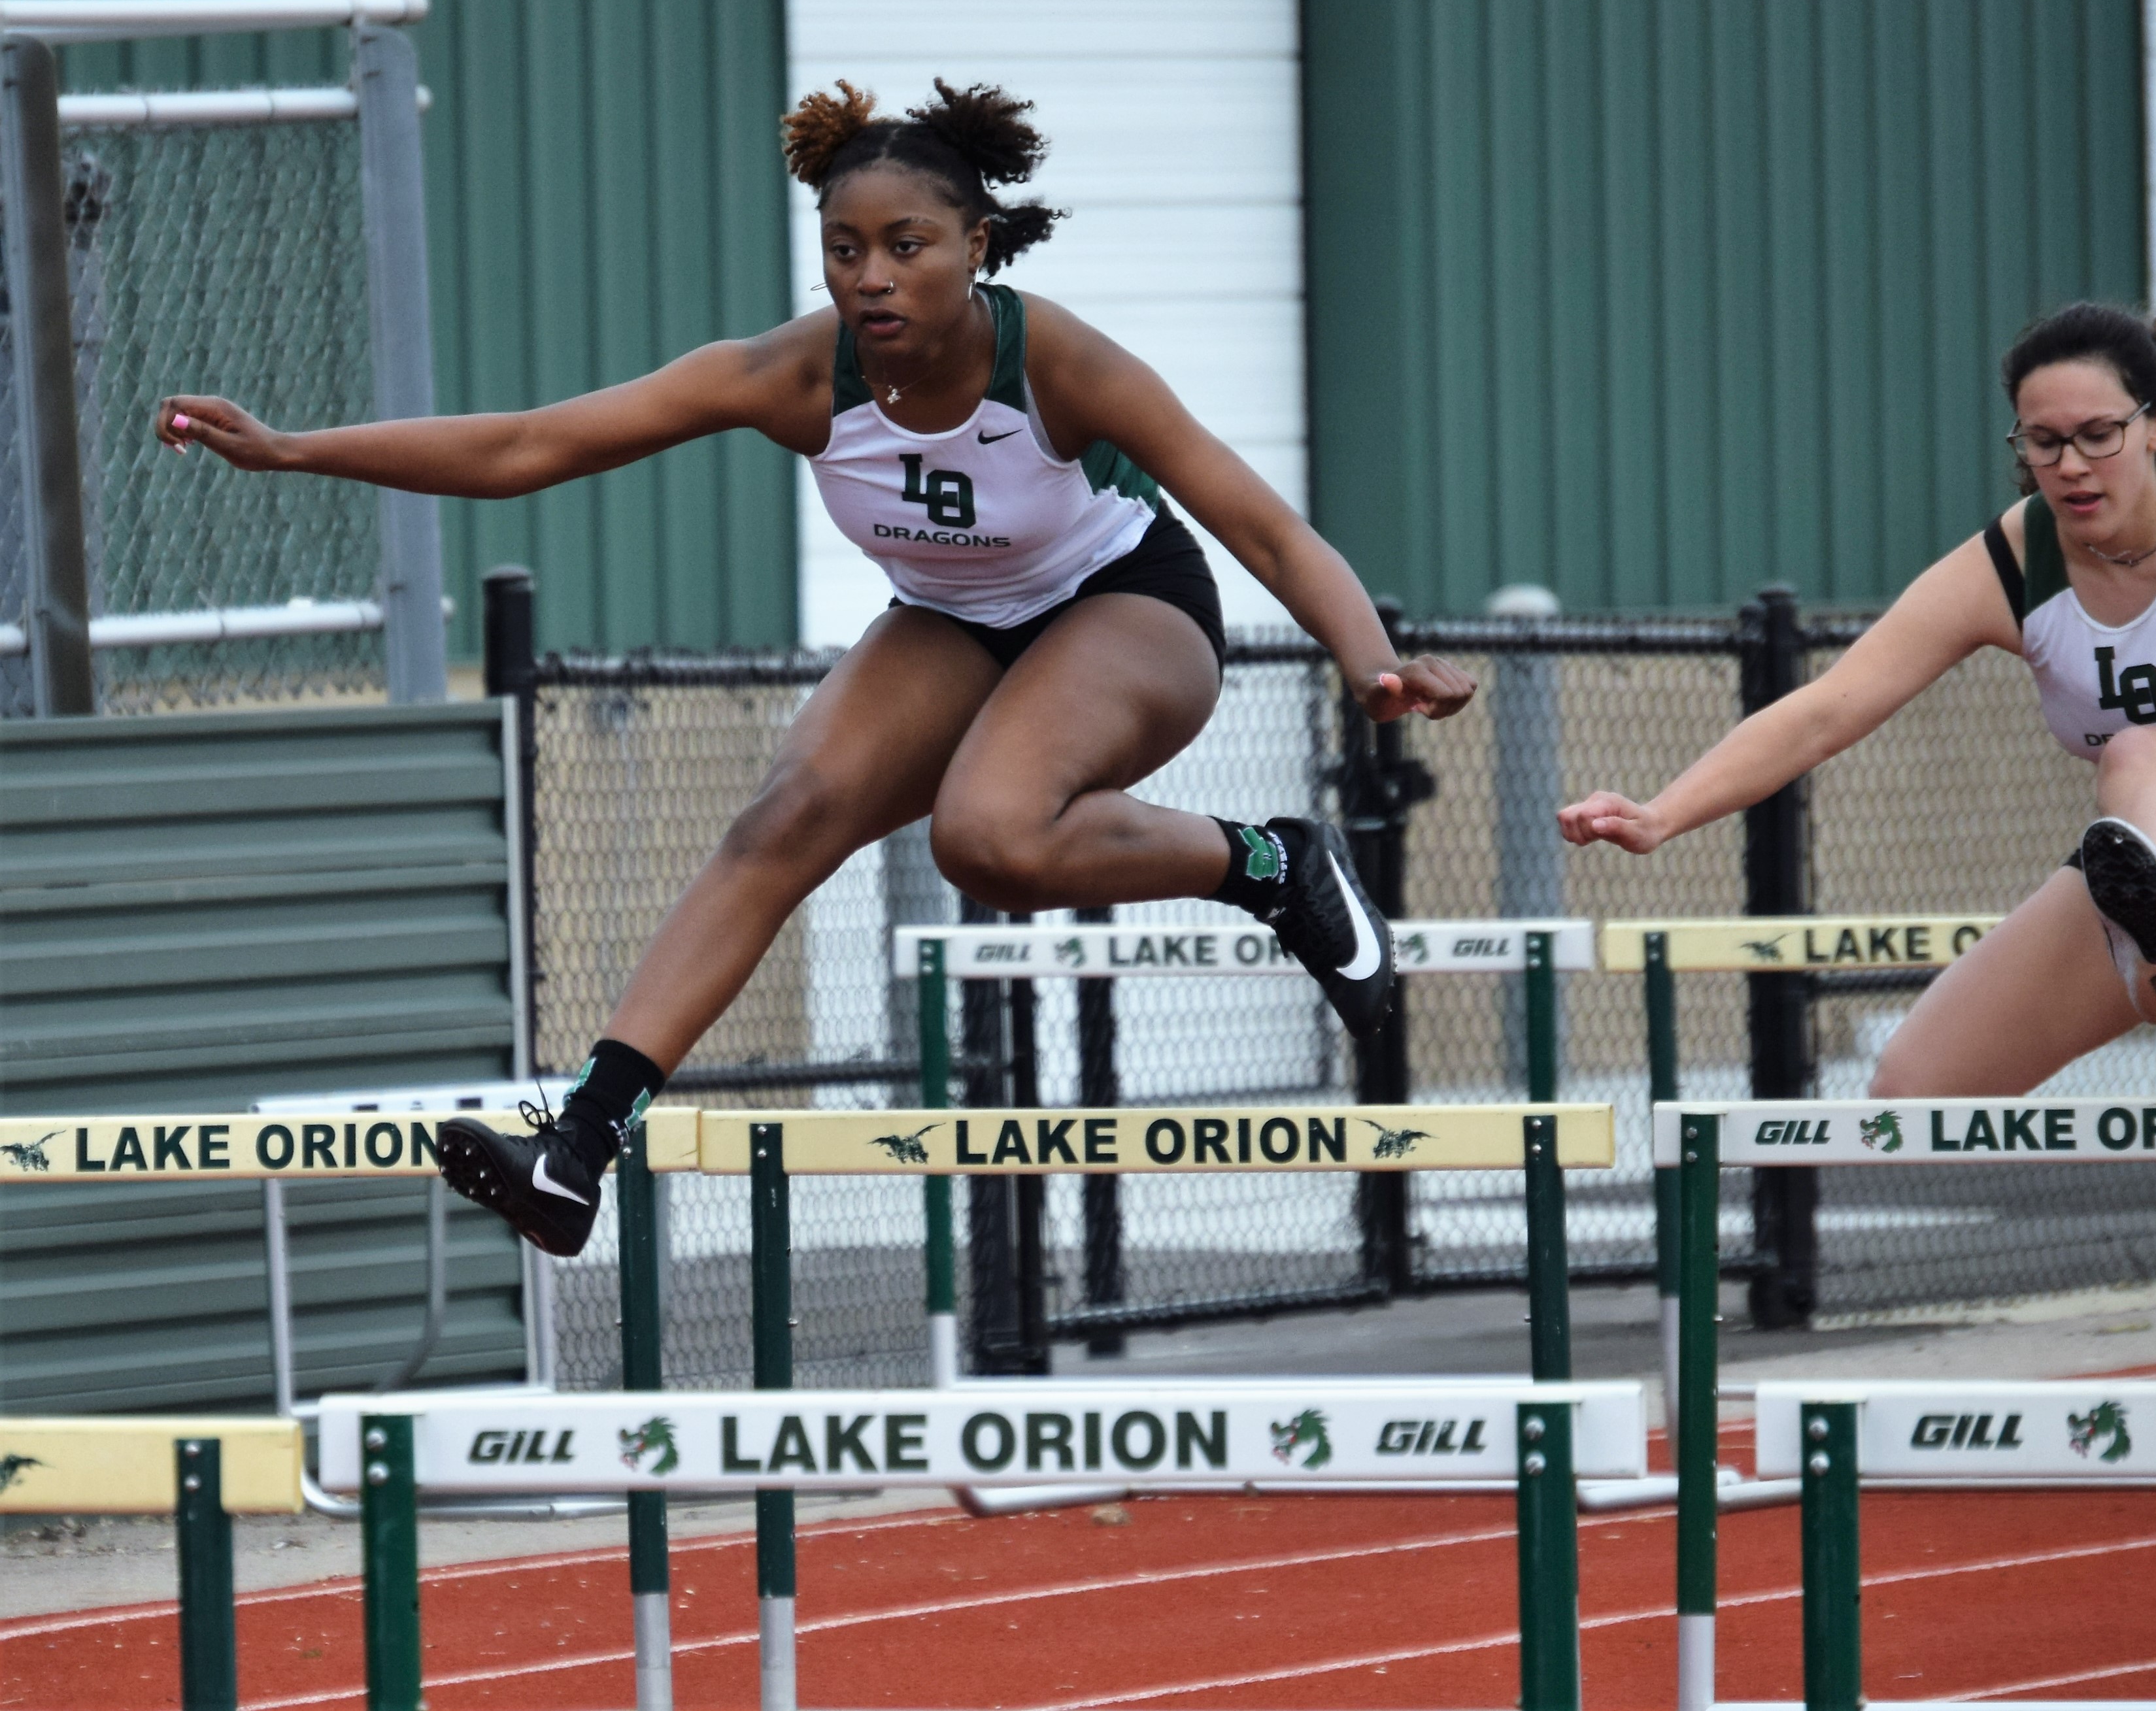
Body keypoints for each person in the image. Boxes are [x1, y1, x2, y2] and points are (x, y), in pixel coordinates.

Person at [156, 80, 1473, 1254]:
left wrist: (1368, 659)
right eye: (846, 251)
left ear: (978, 248)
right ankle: (580, 1148)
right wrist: (295, 449)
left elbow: (1256, 520)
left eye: (908, 247)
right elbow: (528, 447)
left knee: (991, 838)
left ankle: (1274, 864)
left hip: (1128, 606)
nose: (872, 278)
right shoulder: (796, 377)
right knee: (781, 817)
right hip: (953, 620)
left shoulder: (1053, 361)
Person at [1558, 303, 2156, 1097]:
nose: (2069, 466)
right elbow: (1829, 706)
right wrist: (1660, 814)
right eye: (2042, 443)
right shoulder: (2007, 567)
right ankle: (2154, 938)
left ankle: (2155, 924)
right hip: (2155, 874)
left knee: (2141, 752)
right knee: (1913, 1087)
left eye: (2096, 436)